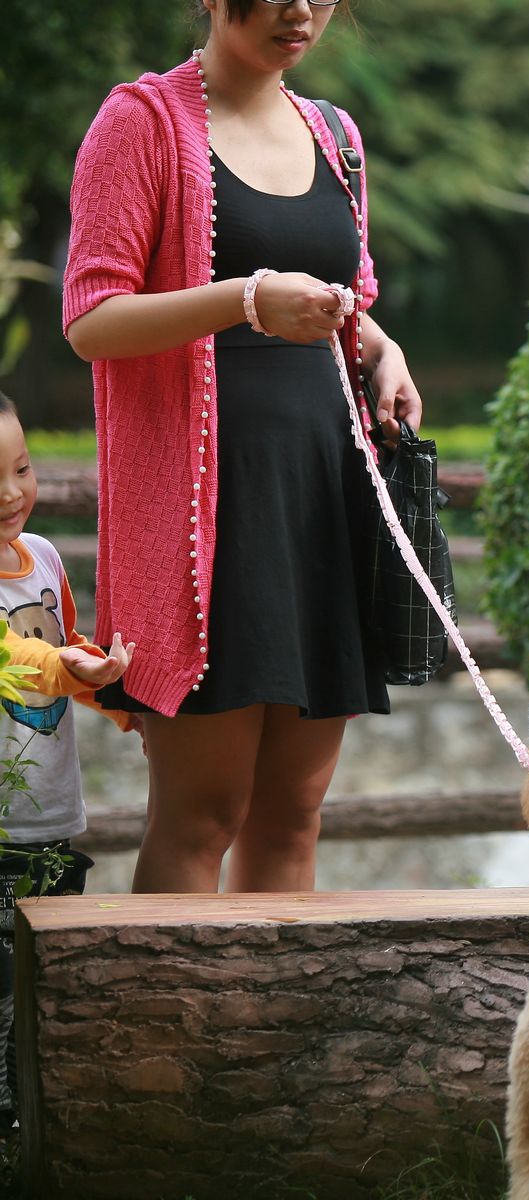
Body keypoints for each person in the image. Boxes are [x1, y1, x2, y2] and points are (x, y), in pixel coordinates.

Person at [62, 0, 422, 893]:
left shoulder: (336, 133)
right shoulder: (141, 121)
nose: (301, 12)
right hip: (205, 522)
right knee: (201, 815)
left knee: (292, 814)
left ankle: (271, 1035)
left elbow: (349, 295)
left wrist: (382, 347)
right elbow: (91, 320)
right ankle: (161, 1032)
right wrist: (245, 299)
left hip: (320, 499)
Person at [0, 390, 135, 1122]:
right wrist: (65, 667)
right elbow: (17, 659)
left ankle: (34, 1115)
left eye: (21, 467)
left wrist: (114, 698)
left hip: (50, 815)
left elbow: (61, 652)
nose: (11, 492)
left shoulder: (44, 559)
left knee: (42, 975)